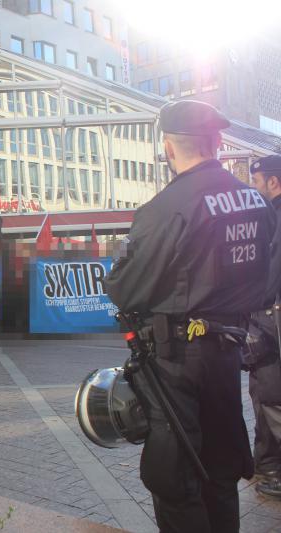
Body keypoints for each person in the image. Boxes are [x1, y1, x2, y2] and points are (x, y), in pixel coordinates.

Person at [104, 100, 277, 533]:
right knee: (219, 466)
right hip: (229, 351)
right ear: (216, 142)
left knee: (174, 472)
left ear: (167, 146)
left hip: (175, 358)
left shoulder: (168, 207)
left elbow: (124, 286)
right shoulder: (256, 201)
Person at [246, 155, 281, 498]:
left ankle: (272, 469)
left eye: (257, 183)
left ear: (272, 182)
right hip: (271, 319)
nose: (254, 189)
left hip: (272, 321)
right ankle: (266, 465)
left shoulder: (277, 217)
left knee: (271, 397)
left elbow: (271, 276)